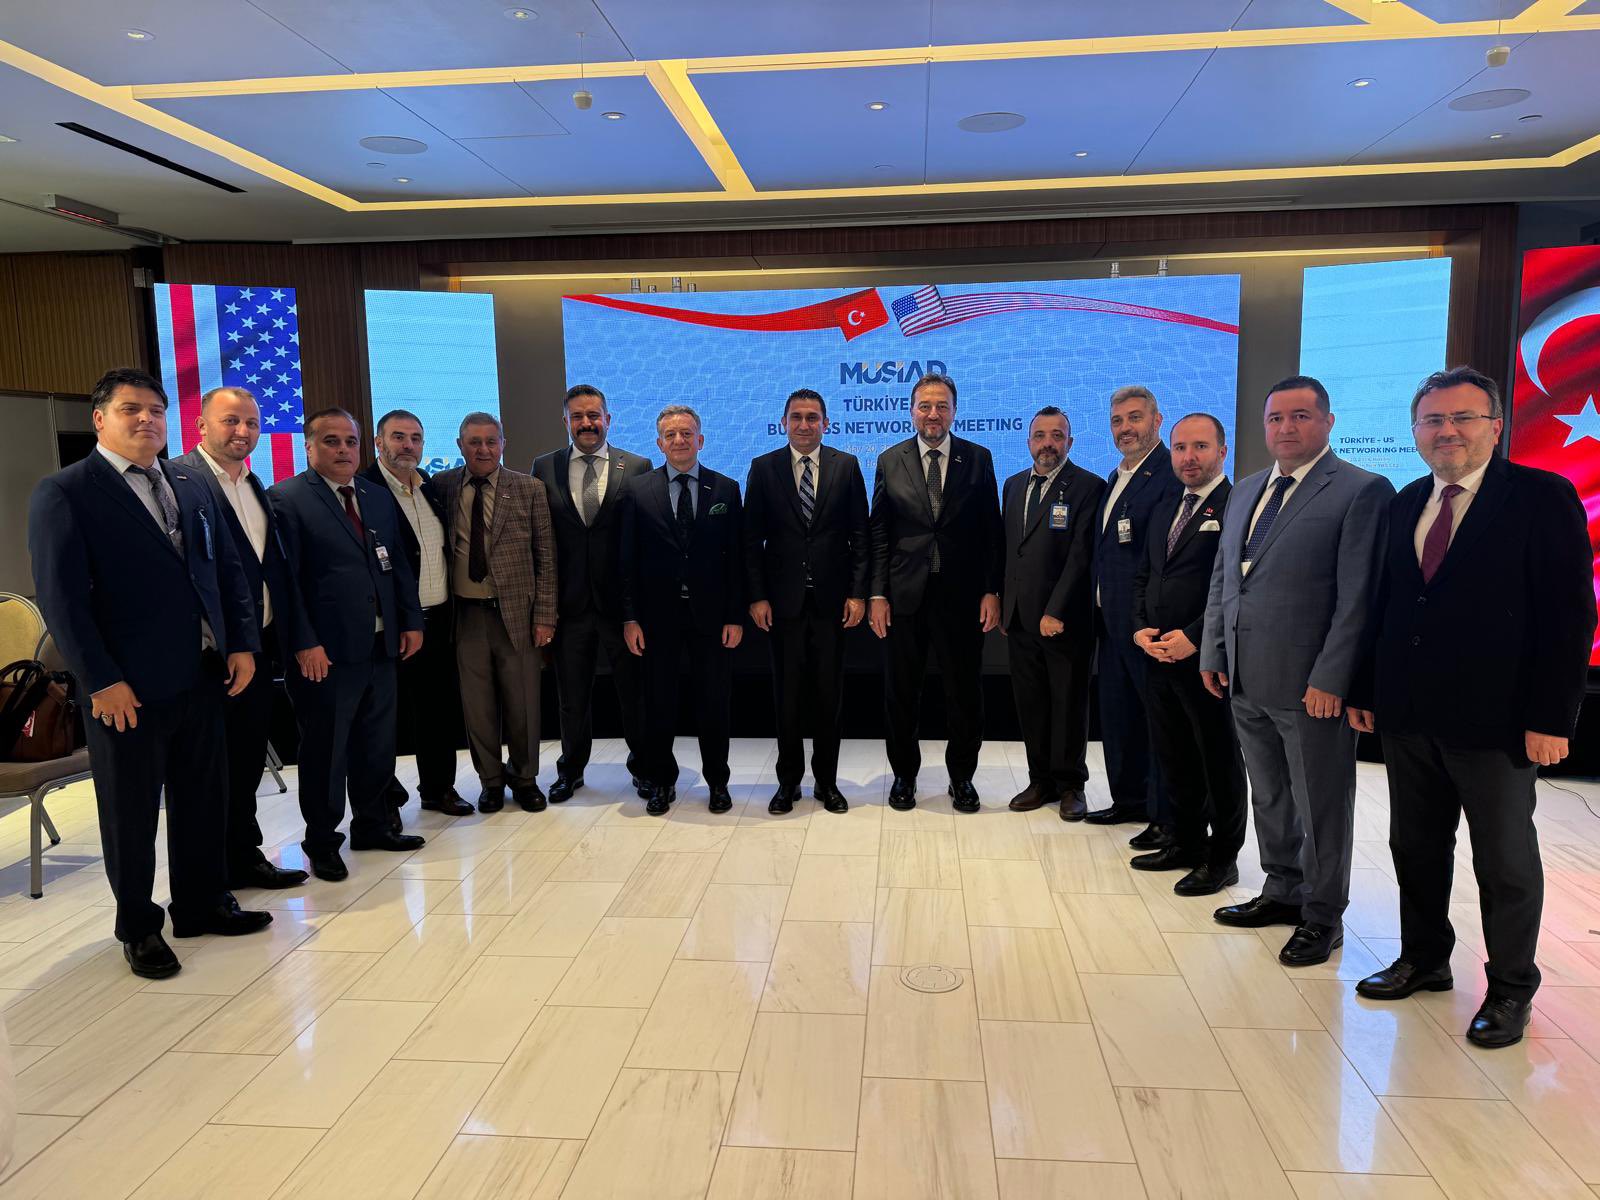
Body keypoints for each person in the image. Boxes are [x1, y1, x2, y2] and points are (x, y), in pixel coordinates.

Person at [1348, 367, 1596, 1048]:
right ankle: (1424, 959)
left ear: (1495, 426)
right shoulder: (1407, 501)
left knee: (1505, 861)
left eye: (1463, 418)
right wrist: (1367, 690)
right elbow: (1388, 605)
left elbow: (1570, 615)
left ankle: (1511, 988)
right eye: (1433, 420)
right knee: (1414, 847)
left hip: (1499, 720)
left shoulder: (1542, 497)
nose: (1447, 431)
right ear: (1416, 431)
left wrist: (1552, 717)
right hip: (1410, 714)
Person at [28, 367, 271, 979]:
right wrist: (100, 680)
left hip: (203, 675)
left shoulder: (189, 484)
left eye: (156, 411)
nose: (146, 420)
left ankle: (202, 902)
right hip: (126, 689)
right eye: (131, 409)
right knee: (131, 812)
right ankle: (138, 926)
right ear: (100, 419)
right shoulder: (67, 491)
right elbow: (63, 600)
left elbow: (226, 570)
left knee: (204, 798)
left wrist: (242, 643)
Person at [1201, 375, 1392, 966]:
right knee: (1270, 794)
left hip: (1312, 687)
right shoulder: (1245, 491)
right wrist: (1213, 651)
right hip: (1245, 677)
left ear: (1328, 422)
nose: (1286, 427)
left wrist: (1332, 678)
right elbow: (1225, 579)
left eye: (1301, 416)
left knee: (1321, 805)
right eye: (1276, 418)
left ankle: (1323, 914)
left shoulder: (1361, 490)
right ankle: (1282, 889)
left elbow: (1358, 598)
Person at [271, 407, 427, 882]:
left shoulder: (375, 496)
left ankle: (373, 825)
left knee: (376, 744)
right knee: (326, 752)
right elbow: (286, 583)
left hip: (381, 644)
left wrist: (410, 621)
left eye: (350, 442)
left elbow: (397, 564)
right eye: (332, 441)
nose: (343, 450)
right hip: (325, 654)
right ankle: (322, 842)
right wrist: (304, 643)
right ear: (309, 447)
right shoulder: (287, 499)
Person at [175, 386, 309, 889]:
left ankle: (243, 858)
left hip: (259, 647)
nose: (243, 431)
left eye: (251, 422)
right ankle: (210, 879)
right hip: (210, 656)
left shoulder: (255, 486)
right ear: (201, 426)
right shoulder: (179, 483)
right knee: (209, 773)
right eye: (231, 421)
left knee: (247, 760)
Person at [868, 372, 1003, 813]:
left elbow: (991, 531)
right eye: (925, 406)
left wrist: (991, 589)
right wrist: (877, 595)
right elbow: (879, 533)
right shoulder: (890, 460)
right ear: (911, 411)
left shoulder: (978, 458)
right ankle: (904, 776)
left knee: (964, 694)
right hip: (904, 598)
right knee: (901, 694)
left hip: (962, 598)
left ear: (954, 412)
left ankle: (961, 778)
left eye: (941, 406)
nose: (933, 414)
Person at [1131, 413, 1246, 895]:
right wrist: (1140, 628)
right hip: (1158, 656)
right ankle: (1185, 841)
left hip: (1205, 661)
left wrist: (1196, 636)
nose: (1188, 457)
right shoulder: (1166, 506)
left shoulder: (1239, 506)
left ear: (1222, 451)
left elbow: (1237, 586)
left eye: (1200, 446)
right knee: (1174, 754)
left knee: (1217, 759)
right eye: (1180, 448)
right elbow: (1145, 574)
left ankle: (1222, 859)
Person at [744, 388, 871, 815]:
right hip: (783, 606)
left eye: (812, 417)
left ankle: (827, 783)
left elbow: (860, 535)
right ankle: (788, 783)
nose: (804, 424)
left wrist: (857, 593)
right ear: (784, 423)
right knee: (788, 699)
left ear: (825, 423)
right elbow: (750, 540)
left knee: (828, 698)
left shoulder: (846, 466)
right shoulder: (763, 468)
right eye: (796, 417)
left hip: (833, 605)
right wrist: (757, 596)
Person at [620, 405, 745, 816]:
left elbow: (737, 559)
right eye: (671, 435)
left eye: (686, 433)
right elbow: (627, 561)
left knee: (715, 704)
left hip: (713, 618)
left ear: (700, 440)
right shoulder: (638, 491)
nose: (679, 440)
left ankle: (718, 783)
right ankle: (661, 781)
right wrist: (630, 617)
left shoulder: (726, 489)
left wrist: (734, 615)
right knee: (659, 705)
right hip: (657, 619)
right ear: (659, 443)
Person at [531, 385, 653, 803]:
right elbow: (540, 537)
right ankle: (571, 771)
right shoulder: (543, 466)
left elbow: (642, 540)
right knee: (571, 697)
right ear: (565, 421)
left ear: (608, 419)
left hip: (622, 607)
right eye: (578, 416)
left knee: (633, 695)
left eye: (594, 415)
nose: (587, 423)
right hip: (569, 606)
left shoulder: (637, 466)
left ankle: (644, 767)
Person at [432, 413, 558, 814]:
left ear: (503, 443)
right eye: (474, 442)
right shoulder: (442, 486)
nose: (483, 449)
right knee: (478, 707)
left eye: (491, 441)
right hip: (466, 615)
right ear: (460, 445)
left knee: (523, 704)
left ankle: (525, 778)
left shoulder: (529, 488)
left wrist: (545, 616)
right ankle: (490, 781)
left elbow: (546, 556)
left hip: (518, 614)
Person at [363, 409, 471, 822]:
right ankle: (383, 804)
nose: (407, 445)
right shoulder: (364, 490)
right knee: (384, 718)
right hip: (389, 625)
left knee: (437, 710)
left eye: (415, 438)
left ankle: (438, 789)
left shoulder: (429, 487)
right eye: (398, 437)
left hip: (438, 618)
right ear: (379, 442)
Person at [1088, 385, 1182, 845]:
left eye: (1135, 418)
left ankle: (1165, 816)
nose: (1126, 428)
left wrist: (1146, 619)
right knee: (1118, 714)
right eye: (1118, 421)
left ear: (1157, 421)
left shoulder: (1168, 474)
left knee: (1157, 723)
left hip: (1147, 625)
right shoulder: (1116, 476)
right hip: (1111, 623)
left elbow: (1161, 556)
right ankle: (1128, 800)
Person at [1000, 406, 1104, 820]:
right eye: (1040, 436)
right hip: (1019, 619)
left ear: (1070, 442)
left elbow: (1082, 556)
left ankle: (1071, 785)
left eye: (1057, 436)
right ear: (1028, 442)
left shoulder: (1089, 487)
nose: (1048, 444)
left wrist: (1056, 610)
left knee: (1068, 704)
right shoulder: (1012, 485)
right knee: (1031, 704)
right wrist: (1005, 605)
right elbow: (1010, 551)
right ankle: (1039, 779)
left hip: (1065, 621)